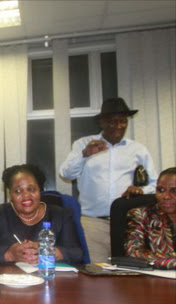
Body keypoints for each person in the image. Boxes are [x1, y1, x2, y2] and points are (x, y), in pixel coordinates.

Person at [59, 97, 158, 263]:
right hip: (93, 224)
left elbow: (156, 184)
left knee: (127, 273)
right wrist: (85, 154)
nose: (118, 126)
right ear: (101, 123)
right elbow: (66, 173)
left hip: (128, 223)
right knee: (96, 274)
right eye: (112, 122)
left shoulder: (137, 149)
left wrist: (141, 190)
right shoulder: (83, 143)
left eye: (122, 121)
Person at [0, 164, 84, 264]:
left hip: (49, 277)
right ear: (10, 194)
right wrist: (9, 254)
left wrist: (49, 252)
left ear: (40, 190)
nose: (26, 195)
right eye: (18, 191)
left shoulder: (60, 215)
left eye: (31, 189)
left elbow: (77, 253)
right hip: (7, 279)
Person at [125, 167, 176, 269]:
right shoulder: (141, 215)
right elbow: (133, 252)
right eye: (160, 190)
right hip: (156, 280)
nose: (166, 196)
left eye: (174, 191)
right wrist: (172, 262)